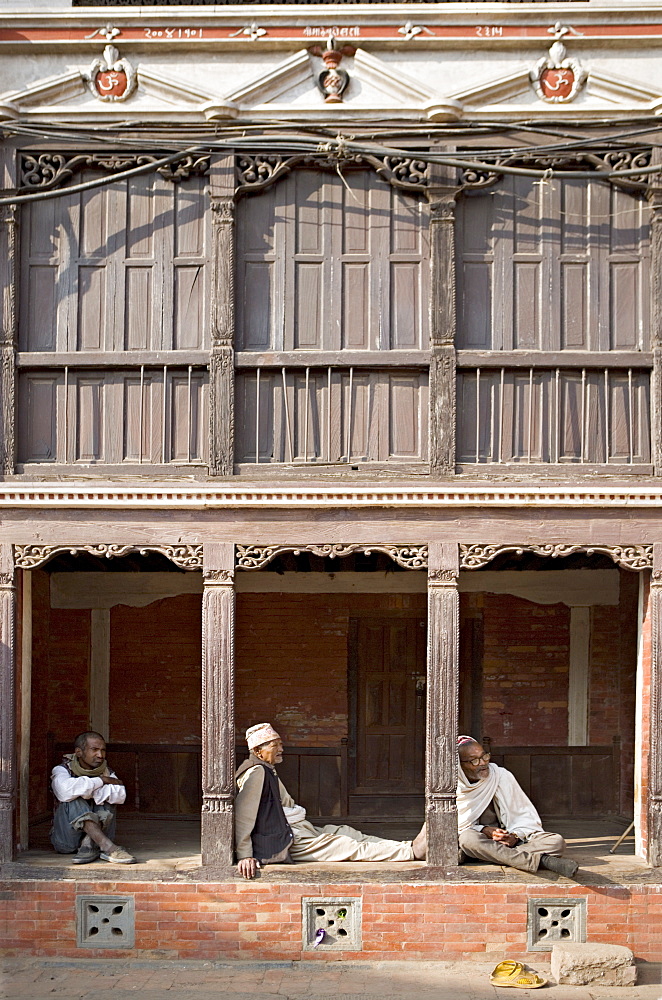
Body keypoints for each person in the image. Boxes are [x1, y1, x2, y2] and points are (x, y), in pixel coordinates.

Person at [235, 723, 427, 879]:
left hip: (295, 828)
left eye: (280, 744)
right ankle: (412, 853)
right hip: (285, 839)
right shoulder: (256, 773)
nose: (281, 749)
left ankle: (407, 845)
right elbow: (243, 816)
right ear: (259, 750)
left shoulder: (266, 768)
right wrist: (245, 855)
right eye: (275, 745)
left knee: (347, 832)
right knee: (347, 845)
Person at [456, 735, 578, 878]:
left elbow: (524, 816)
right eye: (474, 761)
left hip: (506, 842)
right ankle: (542, 861)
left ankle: (482, 855)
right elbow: (454, 826)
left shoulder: (500, 775)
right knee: (468, 840)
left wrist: (514, 835)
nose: (483, 763)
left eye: (485, 756)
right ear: (459, 764)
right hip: (476, 838)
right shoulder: (452, 785)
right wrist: (484, 830)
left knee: (556, 842)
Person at [50, 731, 136, 864]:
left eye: (103, 750)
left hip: (98, 842)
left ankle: (89, 842)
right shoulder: (62, 770)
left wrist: (86, 790)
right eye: (94, 750)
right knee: (73, 797)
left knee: (106, 797)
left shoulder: (107, 771)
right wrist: (102, 781)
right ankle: (109, 847)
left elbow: (120, 795)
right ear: (79, 752)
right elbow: (65, 791)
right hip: (67, 842)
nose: (100, 755)